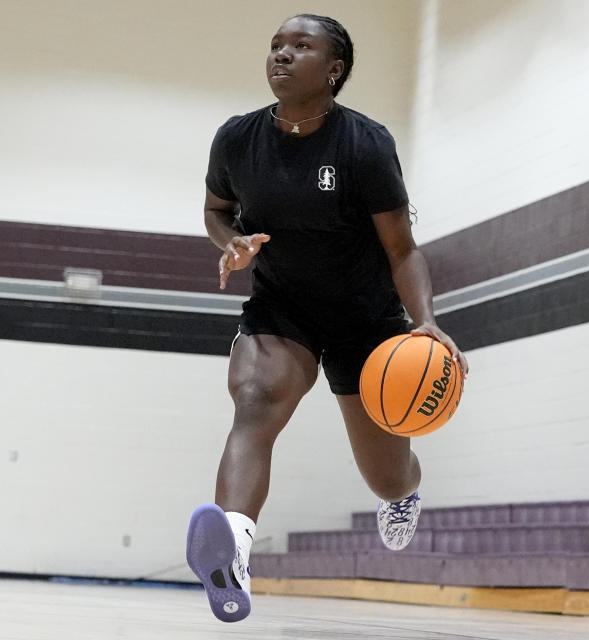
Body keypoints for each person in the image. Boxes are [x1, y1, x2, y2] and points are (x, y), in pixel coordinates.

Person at [184, 14, 468, 623]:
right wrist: (229, 241)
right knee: (254, 399)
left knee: (387, 477)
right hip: (282, 307)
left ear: (333, 69)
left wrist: (426, 323)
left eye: (300, 46)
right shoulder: (237, 138)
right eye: (275, 45)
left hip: (366, 321)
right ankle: (233, 548)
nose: (281, 55)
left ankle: (404, 494)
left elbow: (403, 249)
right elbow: (215, 208)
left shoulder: (364, 144)